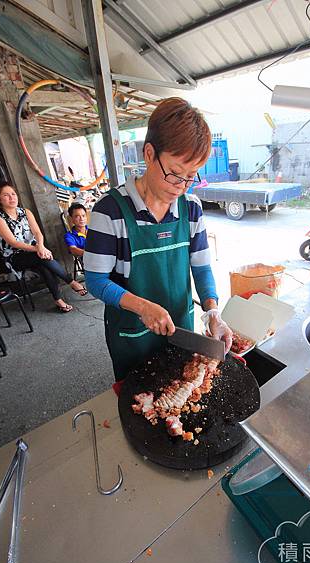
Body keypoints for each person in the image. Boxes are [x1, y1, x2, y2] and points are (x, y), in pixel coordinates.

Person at [84, 97, 232, 382]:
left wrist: (213, 312)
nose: (182, 186)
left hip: (182, 327)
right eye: (175, 173)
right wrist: (142, 307)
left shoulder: (191, 208)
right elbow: (96, 281)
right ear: (149, 154)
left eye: (191, 176)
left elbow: (201, 268)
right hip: (132, 334)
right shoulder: (109, 212)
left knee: (182, 395)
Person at [0, 181, 87, 313]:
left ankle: (59, 300)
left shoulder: (25, 212)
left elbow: (37, 233)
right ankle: (71, 281)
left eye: (13, 194)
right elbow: (13, 242)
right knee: (42, 258)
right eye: (6, 195)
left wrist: (41, 246)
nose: (11, 197)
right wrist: (38, 249)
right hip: (14, 257)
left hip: (35, 252)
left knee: (44, 264)